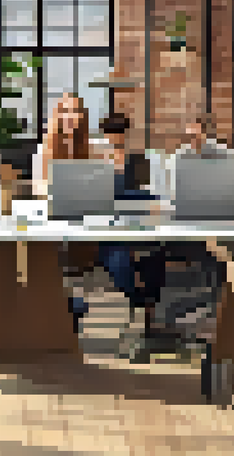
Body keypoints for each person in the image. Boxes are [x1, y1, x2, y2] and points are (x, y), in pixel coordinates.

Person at [95, 111, 206, 357]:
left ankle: (149, 317)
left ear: (126, 134)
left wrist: (145, 204)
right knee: (120, 262)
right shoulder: (98, 161)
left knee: (154, 255)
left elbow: (152, 196)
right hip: (110, 228)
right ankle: (141, 308)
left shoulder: (140, 161)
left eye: (119, 134)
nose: (115, 140)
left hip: (141, 224)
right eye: (111, 135)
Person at [37, 94, 94, 331]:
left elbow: (98, 184)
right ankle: (65, 307)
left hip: (83, 216)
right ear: (58, 116)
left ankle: (73, 303)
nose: (72, 117)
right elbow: (38, 187)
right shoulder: (45, 148)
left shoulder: (90, 148)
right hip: (54, 214)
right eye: (67, 111)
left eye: (76, 112)